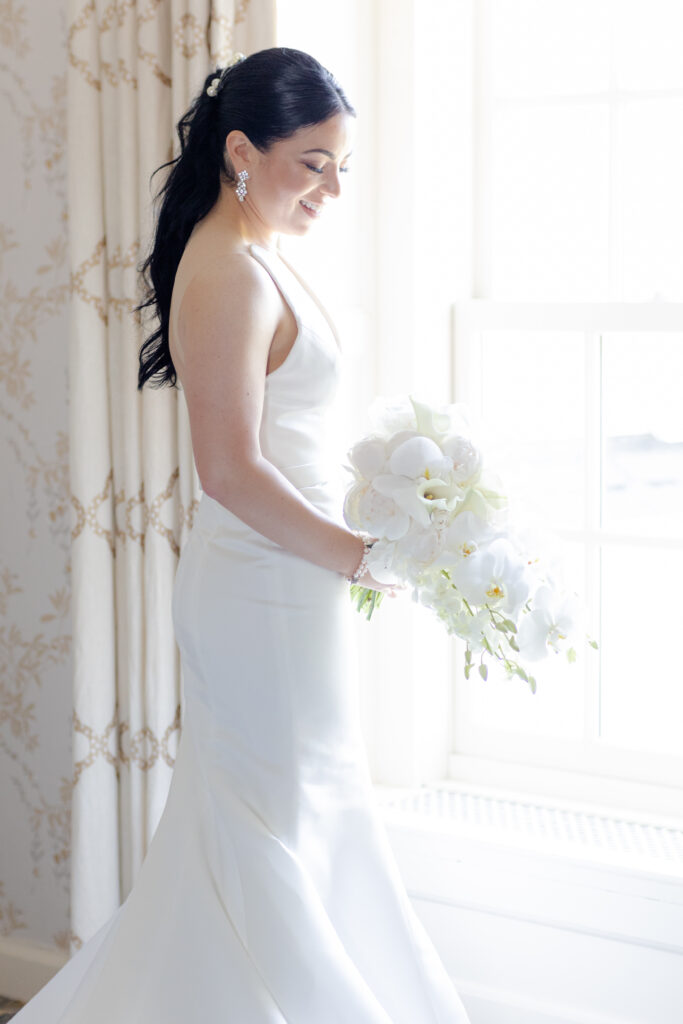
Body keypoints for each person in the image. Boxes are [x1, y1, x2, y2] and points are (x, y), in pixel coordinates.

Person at [12, 47, 471, 1023]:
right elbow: (227, 472)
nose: (332, 187)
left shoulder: (263, 256)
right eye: (313, 162)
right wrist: (356, 554)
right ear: (239, 152)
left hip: (293, 583)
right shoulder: (224, 271)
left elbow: (292, 440)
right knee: (266, 821)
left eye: (341, 164)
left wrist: (385, 504)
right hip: (257, 591)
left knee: (301, 812)